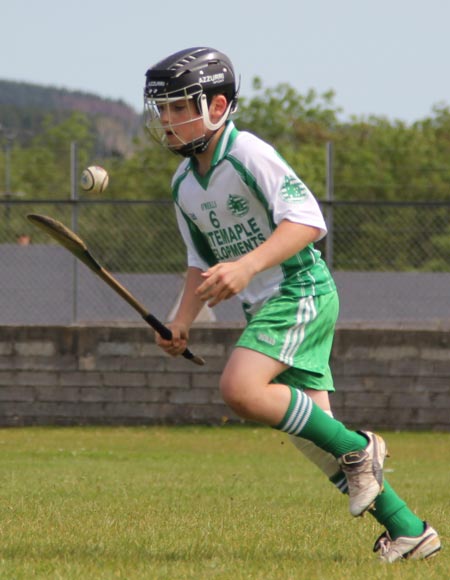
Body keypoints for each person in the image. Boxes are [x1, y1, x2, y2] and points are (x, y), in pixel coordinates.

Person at [144, 47, 441, 562]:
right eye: (162, 110)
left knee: (239, 388)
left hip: (299, 291)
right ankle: (410, 531)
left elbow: (307, 222)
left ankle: (360, 445)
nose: (167, 121)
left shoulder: (248, 153)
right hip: (266, 307)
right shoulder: (182, 184)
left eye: (179, 107)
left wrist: (247, 267)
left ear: (218, 107)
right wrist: (181, 320)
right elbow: (199, 262)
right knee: (317, 444)